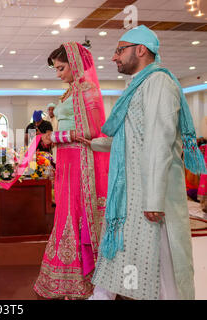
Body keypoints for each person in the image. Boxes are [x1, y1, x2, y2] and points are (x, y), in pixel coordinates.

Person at [79, 25, 205, 300]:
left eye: (119, 50)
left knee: (164, 266)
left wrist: (153, 200)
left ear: (141, 50)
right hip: (133, 193)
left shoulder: (158, 82)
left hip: (153, 195)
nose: (114, 57)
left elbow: (159, 141)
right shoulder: (139, 85)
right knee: (134, 257)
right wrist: (94, 143)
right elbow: (132, 137)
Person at [35, 42, 109, 299]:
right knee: (64, 210)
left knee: (76, 211)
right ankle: (66, 275)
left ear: (75, 63)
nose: (58, 74)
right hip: (66, 159)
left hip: (79, 159)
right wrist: (54, 138)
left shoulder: (87, 90)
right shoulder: (69, 92)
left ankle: (82, 276)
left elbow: (92, 131)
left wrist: (55, 137)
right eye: (55, 69)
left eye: (61, 68)